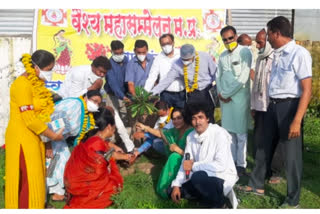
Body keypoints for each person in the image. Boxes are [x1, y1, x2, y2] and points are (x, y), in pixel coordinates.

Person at [242, 16, 312, 208]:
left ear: (277, 33)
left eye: (269, 33)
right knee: (263, 146)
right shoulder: (277, 53)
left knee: (291, 155)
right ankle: (257, 185)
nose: (267, 38)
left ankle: (292, 200)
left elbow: (307, 89)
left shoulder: (299, 54)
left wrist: (297, 120)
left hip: (289, 107)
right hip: (271, 106)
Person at [5, 50, 64, 208]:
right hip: (21, 138)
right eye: (49, 69)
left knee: (37, 176)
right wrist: (53, 136)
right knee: (27, 179)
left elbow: (40, 115)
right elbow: (29, 118)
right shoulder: (21, 85)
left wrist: (47, 140)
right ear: (37, 68)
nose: (50, 73)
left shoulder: (35, 83)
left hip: (34, 136)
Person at [45, 90, 129, 201]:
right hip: (48, 137)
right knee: (56, 161)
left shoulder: (88, 115)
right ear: (85, 97)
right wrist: (48, 144)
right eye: (94, 101)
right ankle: (51, 191)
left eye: (98, 103)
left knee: (65, 160)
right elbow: (50, 122)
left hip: (60, 140)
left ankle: (58, 191)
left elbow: (92, 138)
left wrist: (113, 147)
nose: (96, 105)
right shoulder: (73, 105)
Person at [58, 55, 135, 153]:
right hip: (71, 106)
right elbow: (73, 98)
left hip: (90, 102)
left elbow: (99, 93)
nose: (102, 75)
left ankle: (130, 148)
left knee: (113, 115)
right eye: (100, 71)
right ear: (93, 66)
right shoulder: (79, 73)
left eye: (104, 73)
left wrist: (103, 104)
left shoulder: (99, 77)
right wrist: (93, 87)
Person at [169, 104, 237, 208]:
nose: (197, 122)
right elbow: (186, 162)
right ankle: (204, 196)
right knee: (171, 191)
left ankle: (220, 204)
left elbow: (221, 165)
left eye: (200, 117)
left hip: (220, 177)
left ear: (208, 118)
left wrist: (194, 166)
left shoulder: (219, 134)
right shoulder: (191, 136)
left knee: (198, 177)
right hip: (199, 176)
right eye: (193, 118)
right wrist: (177, 184)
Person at [64, 108, 130, 208]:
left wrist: (121, 156)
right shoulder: (98, 144)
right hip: (88, 186)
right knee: (116, 184)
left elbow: (106, 154)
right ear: (108, 126)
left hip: (74, 183)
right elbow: (98, 172)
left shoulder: (93, 137)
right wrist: (111, 168)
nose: (114, 131)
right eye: (114, 128)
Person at [216, 25, 252, 176]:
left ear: (236, 36)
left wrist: (227, 93)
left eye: (230, 38)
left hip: (240, 99)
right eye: (225, 40)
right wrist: (221, 94)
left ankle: (241, 165)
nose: (228, 41)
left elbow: (243, 77)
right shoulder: (222, 56)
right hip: (225, 100)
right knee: (229, 133)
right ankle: (231, 162)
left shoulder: (245, 52)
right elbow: (218, 76)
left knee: (241, 133)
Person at [151, 44, 217, 123]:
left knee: (209, 118)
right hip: (192, 93)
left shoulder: (205, 57)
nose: (186, 61)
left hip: (207, 91)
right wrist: (151, 93)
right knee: (193, 118)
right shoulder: (178, 64)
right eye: (184, 59)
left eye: (188, 59)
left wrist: (216, 89)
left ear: (194, 55)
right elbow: (167, 81)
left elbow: (215, 73)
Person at [251, 28, 284, 184]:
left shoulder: (276, 58)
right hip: (259, 106)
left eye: (260, 42)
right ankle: (261, 170)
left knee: (275, 140)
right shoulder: (260, 58)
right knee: (259, 140)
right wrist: (253, 106)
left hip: (272, 106)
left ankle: (275, 171)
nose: (257, 45)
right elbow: (255, 84)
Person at [156, 108, 193, 199]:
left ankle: (167, 187)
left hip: (190, 164)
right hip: (180, 159)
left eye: (179, 118)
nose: (176, 121)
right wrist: (169, 143)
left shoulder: (191, 132)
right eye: (174, 119)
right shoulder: (176, 130)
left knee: (174, 156)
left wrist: (177, 150)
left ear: (185, 118)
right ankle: (168, 186)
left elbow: (193, 156)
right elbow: (162, 132)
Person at [144, 34, 185, 108]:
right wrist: (145, 93)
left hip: (181, 94)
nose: (166, 46)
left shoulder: (180, 54)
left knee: (181, 117)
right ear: (160, 45)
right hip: (165, 94)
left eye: (168, 43)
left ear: (173, 43)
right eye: (163, 44)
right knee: (165, 118)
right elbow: (152, 77)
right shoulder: (158, 58)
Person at [104, 40, 130, 119]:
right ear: (111, 51)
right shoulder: (108, 64)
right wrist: (122, 97)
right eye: (116, 53)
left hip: (126, 96)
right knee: (112, 118)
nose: (119, 55)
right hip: (112, 96)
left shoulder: (127, 61)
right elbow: (112, 82)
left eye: (121, 53)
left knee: (126, 119)